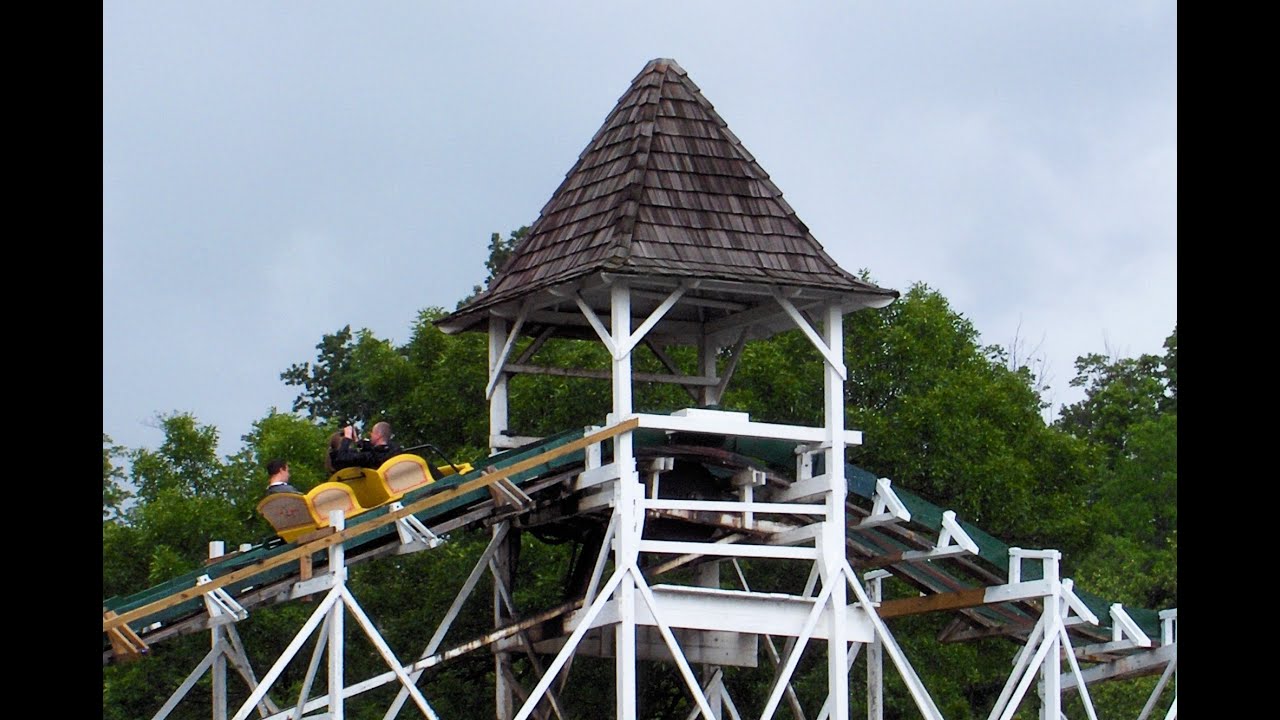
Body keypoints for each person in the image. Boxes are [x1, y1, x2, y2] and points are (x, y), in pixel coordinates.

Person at [329, 421, 403, 471]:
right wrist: (357, 441)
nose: (370, 435)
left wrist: (347, 437)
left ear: (378, 435)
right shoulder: (396, 451)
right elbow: (374, 449)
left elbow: (342, 458)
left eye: (373, 433)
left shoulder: (369, 457)